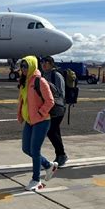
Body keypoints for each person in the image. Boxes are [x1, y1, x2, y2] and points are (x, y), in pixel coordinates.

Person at [17, 56, 58, 191]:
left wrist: (40, 113)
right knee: (26, 149)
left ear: (32, 67)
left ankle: (36, 180)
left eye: (25, 66)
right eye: (22, 66)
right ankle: (48, 165)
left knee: (35, 150)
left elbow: (50, 101)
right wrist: (21, 114)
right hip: (30, 120)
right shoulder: (25, 81)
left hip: (41, 121)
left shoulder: (40, 81)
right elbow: (23, 101)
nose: (23, 69)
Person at [40, 56, 68, 167]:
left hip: (58, 107)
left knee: (51, 131)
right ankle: (60, 155)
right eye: (42, 63)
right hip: (48, 107)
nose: (44, 65)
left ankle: (62, 155)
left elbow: (61, 93)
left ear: (51, 64)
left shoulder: (56, 75)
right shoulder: (43, 75)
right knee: (55, 132)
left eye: (46, 63)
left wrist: (48, 85)